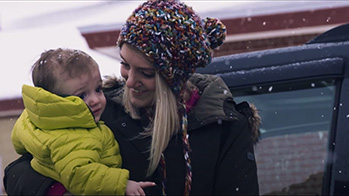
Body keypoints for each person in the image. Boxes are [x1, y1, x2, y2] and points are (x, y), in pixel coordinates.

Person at [4, 0, 261, 195]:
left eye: (146, 73)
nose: (129, 81)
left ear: (175, 78)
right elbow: (17, 173)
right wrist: (56, 190)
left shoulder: (223, 126)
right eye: (125, 64)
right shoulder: (100, 108)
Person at [9, 48, 154, 196]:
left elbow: (20, 144)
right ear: (55, 100)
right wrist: (123, 184)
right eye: (82, 95)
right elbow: (80, 175)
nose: (96, 100)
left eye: (98, 89)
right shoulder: (74, 135)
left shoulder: (41, 120)